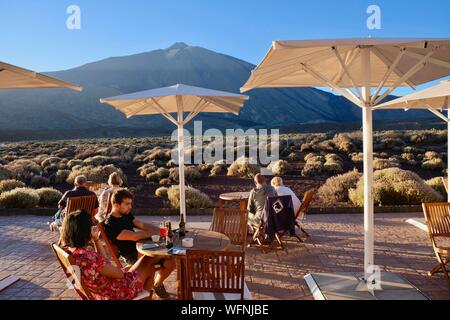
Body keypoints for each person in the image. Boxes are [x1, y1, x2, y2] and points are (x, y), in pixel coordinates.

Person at [60, 209, 158, 300]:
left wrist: (96, 240)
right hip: (116, 292)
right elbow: (119, 274)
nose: (93, 225)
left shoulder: (74, 251)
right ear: (84, 231)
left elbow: (103, 262)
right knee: (149, 261)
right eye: (91, 224)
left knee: (142, 264)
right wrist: (128, 271)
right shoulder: (87, 257)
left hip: (102, 290)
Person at [103, 188, 175, 299]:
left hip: (144, 249)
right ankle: (149, 291)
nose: (130, 207)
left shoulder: (126, 214)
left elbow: (142, 225)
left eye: (130, 204)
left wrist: (162, 230)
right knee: (170, 259)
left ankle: (157, 284)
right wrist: (160, 232)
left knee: (171, 262)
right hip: (133, 256)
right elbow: (134, 236)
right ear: (116, 205)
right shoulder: (109, 224)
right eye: (127, 204)